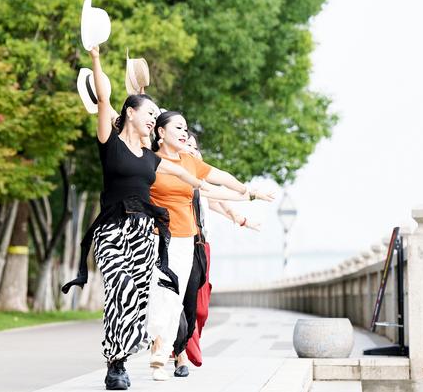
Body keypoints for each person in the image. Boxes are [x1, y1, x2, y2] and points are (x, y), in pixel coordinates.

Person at [61, 46, 214, 391]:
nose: (154, 119)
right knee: (120, 290)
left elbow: (188, 176)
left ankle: (122, 360)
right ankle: (115, 361)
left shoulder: (149, 157)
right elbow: (104, 98)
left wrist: (236, 194)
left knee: (140, 297)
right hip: (112, 229)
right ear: (130, 113)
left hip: (145, 232)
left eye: (157, 116)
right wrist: (96, 57)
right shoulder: (110, 143)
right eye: (149, 113)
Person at [146, 111, 274, 380]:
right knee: (162, 294)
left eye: (186, 128)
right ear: (161, 132)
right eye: (178, 127)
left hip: (188, 240)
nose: (184, 132)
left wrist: (248, 193)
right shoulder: (148, 160)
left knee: (180, 300)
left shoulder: (190, 163)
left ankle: (167, 348)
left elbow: (219, 181)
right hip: (158, 238)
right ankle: (159, 348)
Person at [172, 133, 260, 370]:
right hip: (181, 244)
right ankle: (180, 352)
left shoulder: (200, 182)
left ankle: (180, 341)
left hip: (203, 248)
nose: (192, 150)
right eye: (186, 145)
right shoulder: (176, 178)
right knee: (181, 301)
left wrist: (241, 218)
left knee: (201, 309)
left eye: (195, 147)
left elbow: (219, 200)